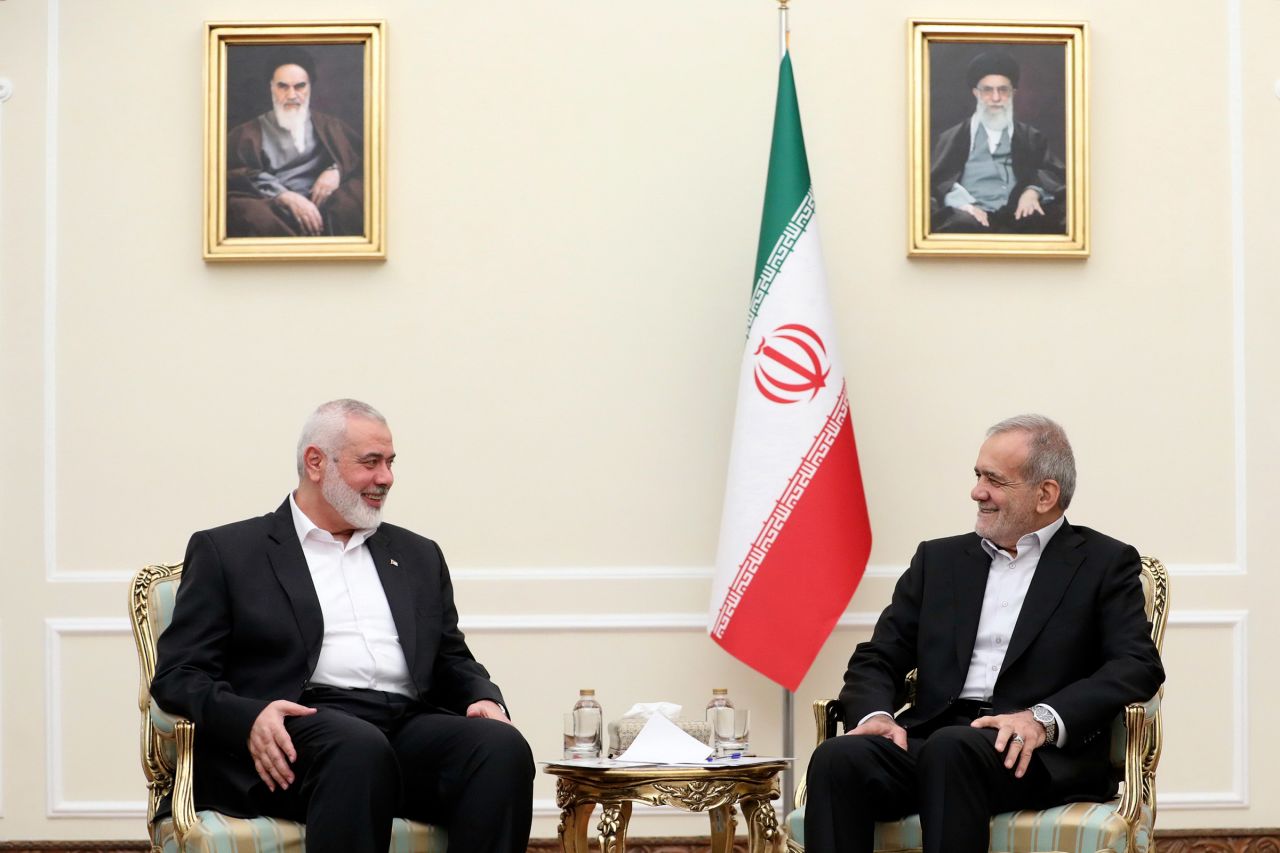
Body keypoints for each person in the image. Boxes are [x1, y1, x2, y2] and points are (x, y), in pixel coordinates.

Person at [151, 399, 534, 853]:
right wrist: (249, 717)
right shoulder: (229, 551)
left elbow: (450, 656)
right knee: (357, 747)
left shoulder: (417, 554)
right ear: (316, 462)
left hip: (404, 725)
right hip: (301, 729)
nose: (386, 478)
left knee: (499, 749)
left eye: (390, 463)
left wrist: (481, 697)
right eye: (370, 463)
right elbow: (178, 676)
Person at [803, 414, 1164, 853]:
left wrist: (1042, 719)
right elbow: (879, 655)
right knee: (839, 758)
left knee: (952, 750)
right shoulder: (938, 561)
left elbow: (1137, 664)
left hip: (1033, 756)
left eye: (994, 480)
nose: (977, 491)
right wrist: (875, 715)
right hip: (934, 739)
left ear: (1045, 494)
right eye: (977, 475)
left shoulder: (1103, 563)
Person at [226, 49, 364, 238]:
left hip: (324, 204)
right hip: (273, 205)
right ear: (271, 87)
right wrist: (285, 197)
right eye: (283, 86)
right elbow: (236, 175)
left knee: (354, 200)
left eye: (300, 86)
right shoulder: (245, 134)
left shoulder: (331, 126)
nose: (291, 95)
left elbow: (360, 158)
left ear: (310, 87)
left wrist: (336, 171)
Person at [930, 51, 1067, 234]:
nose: (996, 98)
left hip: (1018, 214)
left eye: (1003, 90)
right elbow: (938, 182)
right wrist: (963, 205)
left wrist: (1033, 191)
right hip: (970, 216)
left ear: (1013, 93)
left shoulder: (1030, 137)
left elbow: (1053, 173)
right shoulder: (953, 137)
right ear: (976, 93)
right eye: (987, 90)